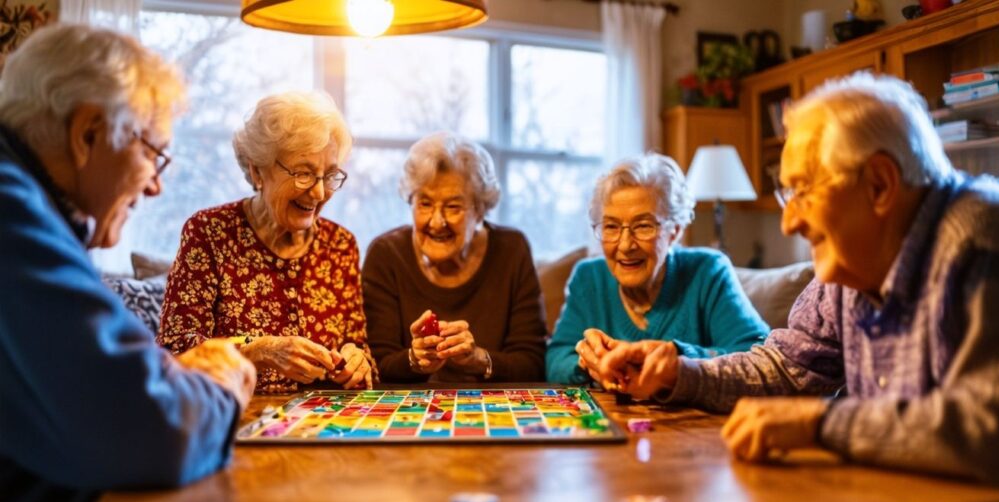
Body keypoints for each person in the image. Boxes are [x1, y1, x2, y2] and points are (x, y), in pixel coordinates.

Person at [599, 73, 999, 502]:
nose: (788, 222)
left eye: (802, 190)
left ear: (880, 185)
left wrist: (817, 426)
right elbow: (783, 366)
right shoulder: (851, 265)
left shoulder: (985, 239)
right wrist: (678, 373)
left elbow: (986, 437)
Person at [0, 24, 257, 502]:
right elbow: (147, 427)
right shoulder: (9, 208)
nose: (156, 187)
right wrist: (221, 388)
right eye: (154, 154)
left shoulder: (36, 210)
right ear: (88, 133)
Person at [158, 92, 374, 392]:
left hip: (321, 425)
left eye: (330, 175)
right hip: (236, 418)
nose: (319, 192)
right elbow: (175, 353)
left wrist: (357, 360)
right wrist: (261, 350)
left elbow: (358, 344)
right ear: (258, 171)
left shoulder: (340, 244)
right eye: (303, 173)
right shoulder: (209, 232)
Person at [546, 153, 768, 385]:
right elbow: (556, 357)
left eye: (643, 226)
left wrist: (677, 359)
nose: (625, 245)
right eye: (611, 226)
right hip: (611, 418)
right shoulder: (588, 278)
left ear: (675, 231)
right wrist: (589, 364)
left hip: (687, 419)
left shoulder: (708, 271)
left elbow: (758, 354)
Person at [362, 132, 546, 382]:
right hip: (410, 413)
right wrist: (415, 360)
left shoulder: (512, 250)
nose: (437, 222)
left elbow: (532, 362)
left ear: (480, 210)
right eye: (425, 204)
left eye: (453, 207)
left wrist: (479, 359)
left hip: (493, 412)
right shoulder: (386, 255)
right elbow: (377, 363)